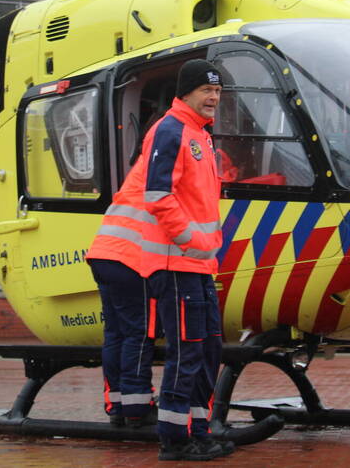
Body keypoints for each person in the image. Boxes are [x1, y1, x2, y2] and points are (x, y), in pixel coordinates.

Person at [88, 58, 231, 461]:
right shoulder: (170, 129)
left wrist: (206, 247)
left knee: (208, 350)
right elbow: (158, 195)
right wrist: (190, 241)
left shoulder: (201, 136)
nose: (214, 98)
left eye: (218, 91)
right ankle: (175, 438)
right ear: (186, 92)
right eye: (207, 90)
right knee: (185, 351)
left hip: (200, 264)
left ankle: (197, 428)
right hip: (176, 264)